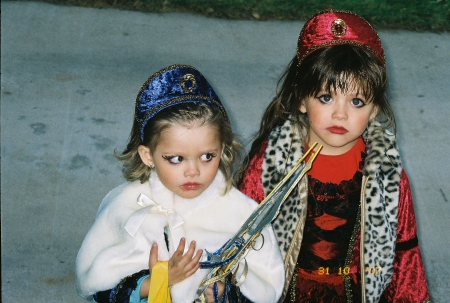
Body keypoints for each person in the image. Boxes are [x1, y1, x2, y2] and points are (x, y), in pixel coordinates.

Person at [236, 9, 431, 303]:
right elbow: (241, 242)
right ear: (301, 98)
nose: (340, 113)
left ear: (375, 109)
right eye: (326, 98)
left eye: (357, 101)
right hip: (282, 292)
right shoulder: (270, 167)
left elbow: (405, 257)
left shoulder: (386, 176)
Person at [76, 64, 285, 303]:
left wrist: (225, 292)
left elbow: (264, 287)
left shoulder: (240, 214)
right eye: (176, 159)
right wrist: (158, 281)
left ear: (223, 150)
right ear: (148, 156)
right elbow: (100, 288)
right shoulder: (126, 206)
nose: (193, 171)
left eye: (208, 156)